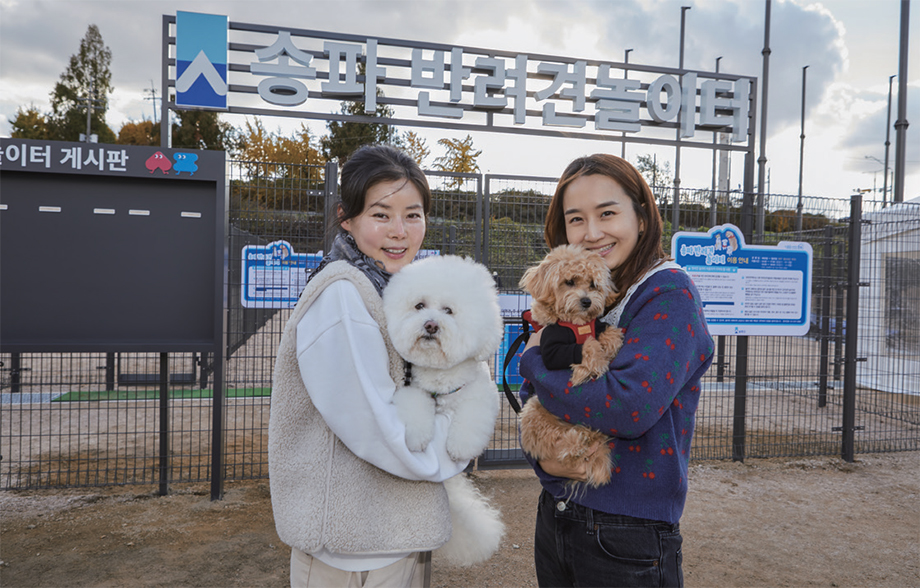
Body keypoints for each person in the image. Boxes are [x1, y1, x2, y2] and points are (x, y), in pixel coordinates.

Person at [268, 145, 469, 588]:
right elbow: (380, 429)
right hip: (353, 549)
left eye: (413, 215)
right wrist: (457, 443)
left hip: (385, 532)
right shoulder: (344, 295)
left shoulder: (394, 290)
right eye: (381, 215)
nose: (400, 232)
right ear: (347, 218)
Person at [519, 154, 714, 587]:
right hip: (559, 512)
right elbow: (535, 398)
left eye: (607, 213)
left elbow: (627, 407)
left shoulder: (669, 294)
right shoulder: (608, 292)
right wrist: (545, 461)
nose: (591, 233)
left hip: (627, 531)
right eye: (576, 219)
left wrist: (532, 357)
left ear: (641, 217)